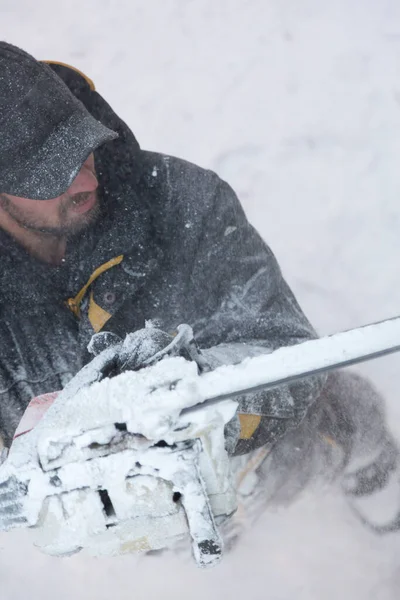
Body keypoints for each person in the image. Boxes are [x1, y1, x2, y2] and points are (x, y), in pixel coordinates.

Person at [0, 41, 398, 541]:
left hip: (263, 449)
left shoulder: (181, 200)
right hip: (114, 515)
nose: (83, 178)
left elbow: (288, 349)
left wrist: (192, 398)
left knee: (339, 417)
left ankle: (377, 470)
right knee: (194, 542)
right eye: (47, 173)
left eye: (80, 148)